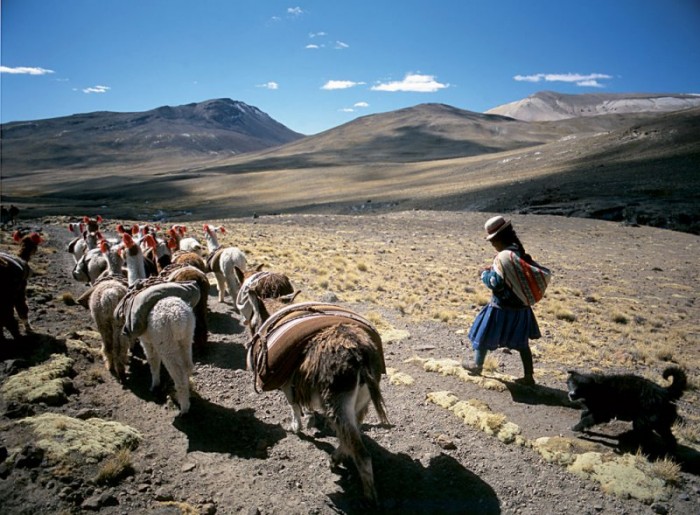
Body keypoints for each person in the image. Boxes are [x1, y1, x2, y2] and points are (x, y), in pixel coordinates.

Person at [463, 215, 541, 386]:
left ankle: (477, 365)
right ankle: (529, 376)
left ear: (499, 239)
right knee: (522, 344)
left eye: (492, 241)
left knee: (483, 335)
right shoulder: (518, 253)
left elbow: (496, 283)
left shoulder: (504, 257)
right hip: (521, 309)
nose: (492, 245)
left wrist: (485, 275)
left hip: (500, 308)